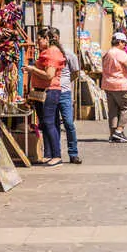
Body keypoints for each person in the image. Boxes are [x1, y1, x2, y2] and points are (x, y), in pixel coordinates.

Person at [24, 28, 66, 167]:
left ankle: (56, 155)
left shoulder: (52, 53)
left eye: (39, 39)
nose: (37, 42)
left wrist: (32, 69)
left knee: (49, 123)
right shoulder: (48, 52)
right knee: (47, 122)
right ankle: (49, 154)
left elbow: (49, 75)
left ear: (47, 39)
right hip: (45, 91)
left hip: (50, 91)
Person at [49, 27, 83, 164]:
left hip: (64, 93)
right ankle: (55, 154)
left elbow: (75, 72)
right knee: (53, 124)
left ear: (58, 37)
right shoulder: (47, 54)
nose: (52, 40)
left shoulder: (68, 54)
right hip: (51, 92)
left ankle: (73, 153)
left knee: (68, 123)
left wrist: (65, 83)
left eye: (53, 37)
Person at [102, 32, 127, 143]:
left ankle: (113, 135)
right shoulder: (119, 53)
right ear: (119, 42)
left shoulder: (108, 53)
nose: (125, 45)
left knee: (113, 110)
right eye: (124, 43)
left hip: (108, 85)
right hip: (121, 86)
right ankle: (119, 131)